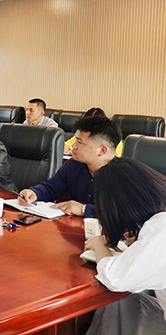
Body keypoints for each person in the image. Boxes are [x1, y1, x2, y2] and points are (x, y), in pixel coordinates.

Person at [84, 158, 166, 334]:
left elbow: (115, 279)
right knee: (121, 304)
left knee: (116, 303)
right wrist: (138, 243)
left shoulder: (161, 227)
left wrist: (99, 244)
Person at [18, 116, 121, 217]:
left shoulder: (123, 174)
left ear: (102, 150)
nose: (73, 146)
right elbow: (51, 188)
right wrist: (34, 193)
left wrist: (84, 209)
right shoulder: (74, 164)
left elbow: (123, 212)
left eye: (79, 142)